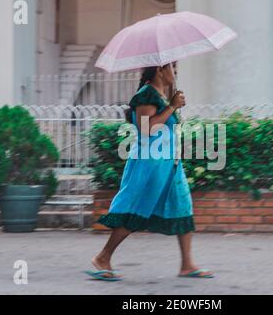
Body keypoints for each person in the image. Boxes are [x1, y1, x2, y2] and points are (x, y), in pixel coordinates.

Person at [87, 63, 214, 281]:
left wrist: (172, 104)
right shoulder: (145, 95)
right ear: (159, 71)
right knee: (137, 208)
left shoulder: (162, 96)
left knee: (182, 207)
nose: (175, 72)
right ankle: (103, 257)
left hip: (170, 163)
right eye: (172, 67)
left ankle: (187, 264)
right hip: (150, 163)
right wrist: (172, 107)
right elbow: (146, 129)